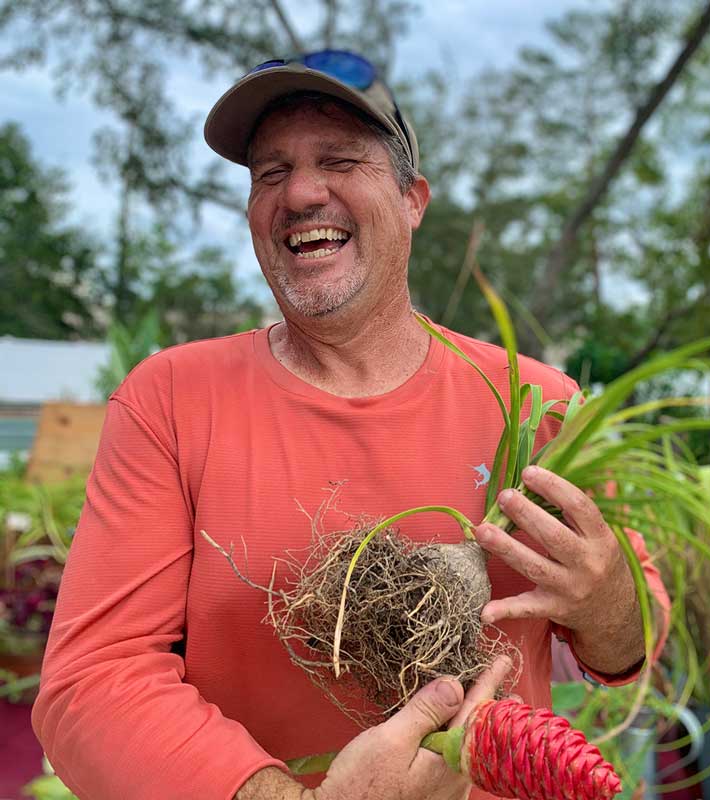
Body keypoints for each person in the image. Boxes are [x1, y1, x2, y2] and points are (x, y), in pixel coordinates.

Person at [32, 50, 670, 800]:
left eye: (339, 159)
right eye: (269, 173)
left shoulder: (539, 404)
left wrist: (610, 603)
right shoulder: (172, 398)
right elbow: (92, 682)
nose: (301, 192)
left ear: (413, 200)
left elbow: (631, 648)